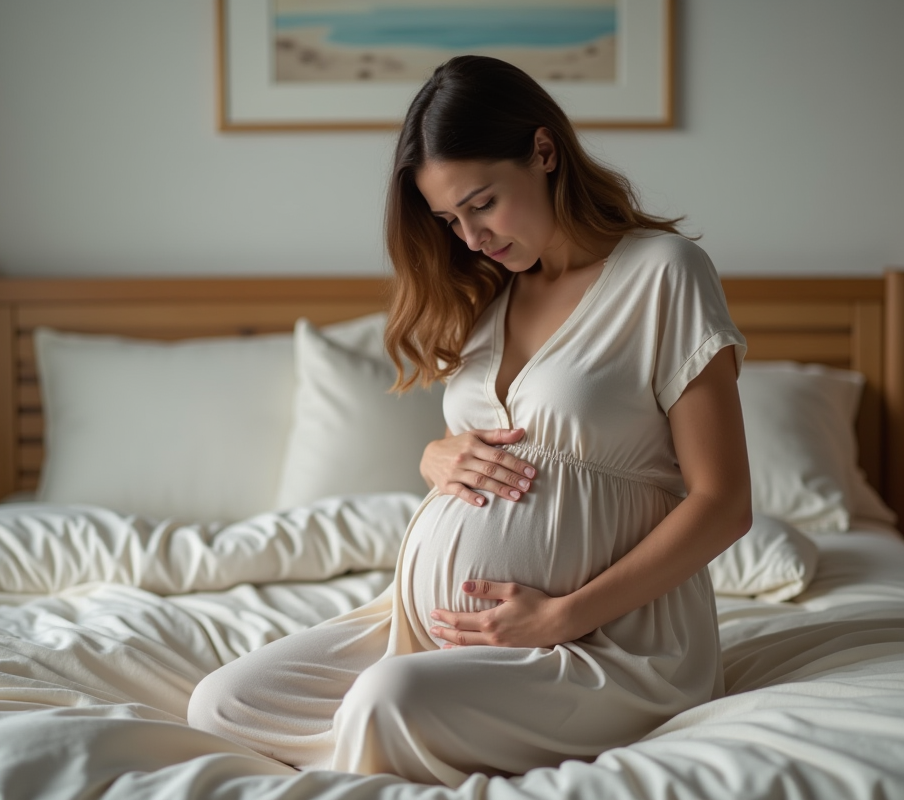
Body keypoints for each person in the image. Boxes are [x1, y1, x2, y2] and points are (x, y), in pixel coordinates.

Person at [188, 55, 752, 788]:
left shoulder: (664, 273)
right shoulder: (491, 293)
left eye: (482, 203)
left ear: (544, 153)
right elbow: (486, 441)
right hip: (428, 628)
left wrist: (563, 616)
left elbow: (724, 504)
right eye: (451, 220)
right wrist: (434, 457)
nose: (471, 237)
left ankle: (400, 733)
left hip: (606, 641)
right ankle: (416, 729)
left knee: (389, 703)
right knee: (223, 705)